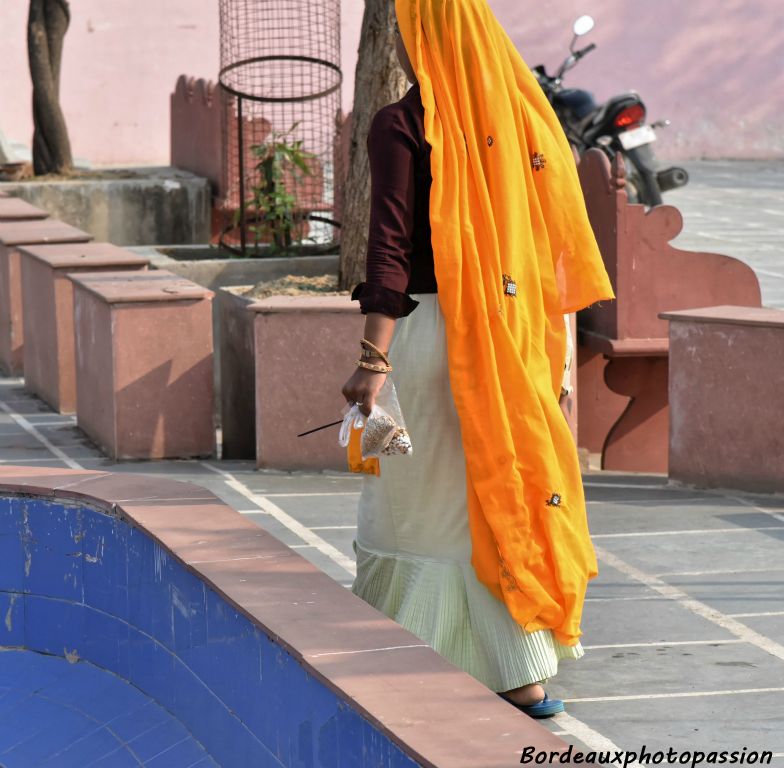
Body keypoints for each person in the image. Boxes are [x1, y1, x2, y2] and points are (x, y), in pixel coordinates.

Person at [342, 0, 614, 718]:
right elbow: (552, 246)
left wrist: (373, 360)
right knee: (492, 509)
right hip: (518, 338)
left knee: (415, 514)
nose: (399, 38)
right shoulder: (523, 118)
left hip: (433, 342)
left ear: (424, 31)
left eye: (405, 23)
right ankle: (522, 675)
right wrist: (551, 367)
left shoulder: (403, 124)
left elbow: (390, 252)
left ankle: (408, 658)